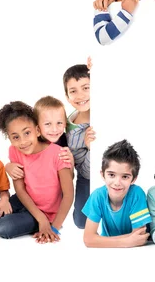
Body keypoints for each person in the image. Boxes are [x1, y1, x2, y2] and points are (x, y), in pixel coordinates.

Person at [0, 100, 74, 242]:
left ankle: (32, 221)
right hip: (24, 201)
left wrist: (52, 227)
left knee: (4, 227)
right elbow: (20, 190)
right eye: (15, 137)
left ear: (37, 130)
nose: (23, 142)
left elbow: (68, 195)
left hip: (47, 211)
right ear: (10, 138)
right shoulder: (14, 151)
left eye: (27, 133)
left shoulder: (59, 153)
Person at [82, 139, 152, 248]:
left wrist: (100, 240)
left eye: (125, 177)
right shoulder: (97, 196)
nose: (117, 183)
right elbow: (88, 239)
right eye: (111, 175)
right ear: (103, 174)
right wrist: (127, 241)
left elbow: (139, 237)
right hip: (108, 251)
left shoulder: (136, 194)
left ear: (133, 179)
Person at [63, 63, 96, 229]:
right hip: (87, 175)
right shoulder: (72, 130)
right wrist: (91, 149)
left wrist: (97, 67)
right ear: (67, 97)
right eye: (73, 91)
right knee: (82, 222)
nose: (80, 95)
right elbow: (85, 171)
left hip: (115, 171)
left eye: (86, 88)